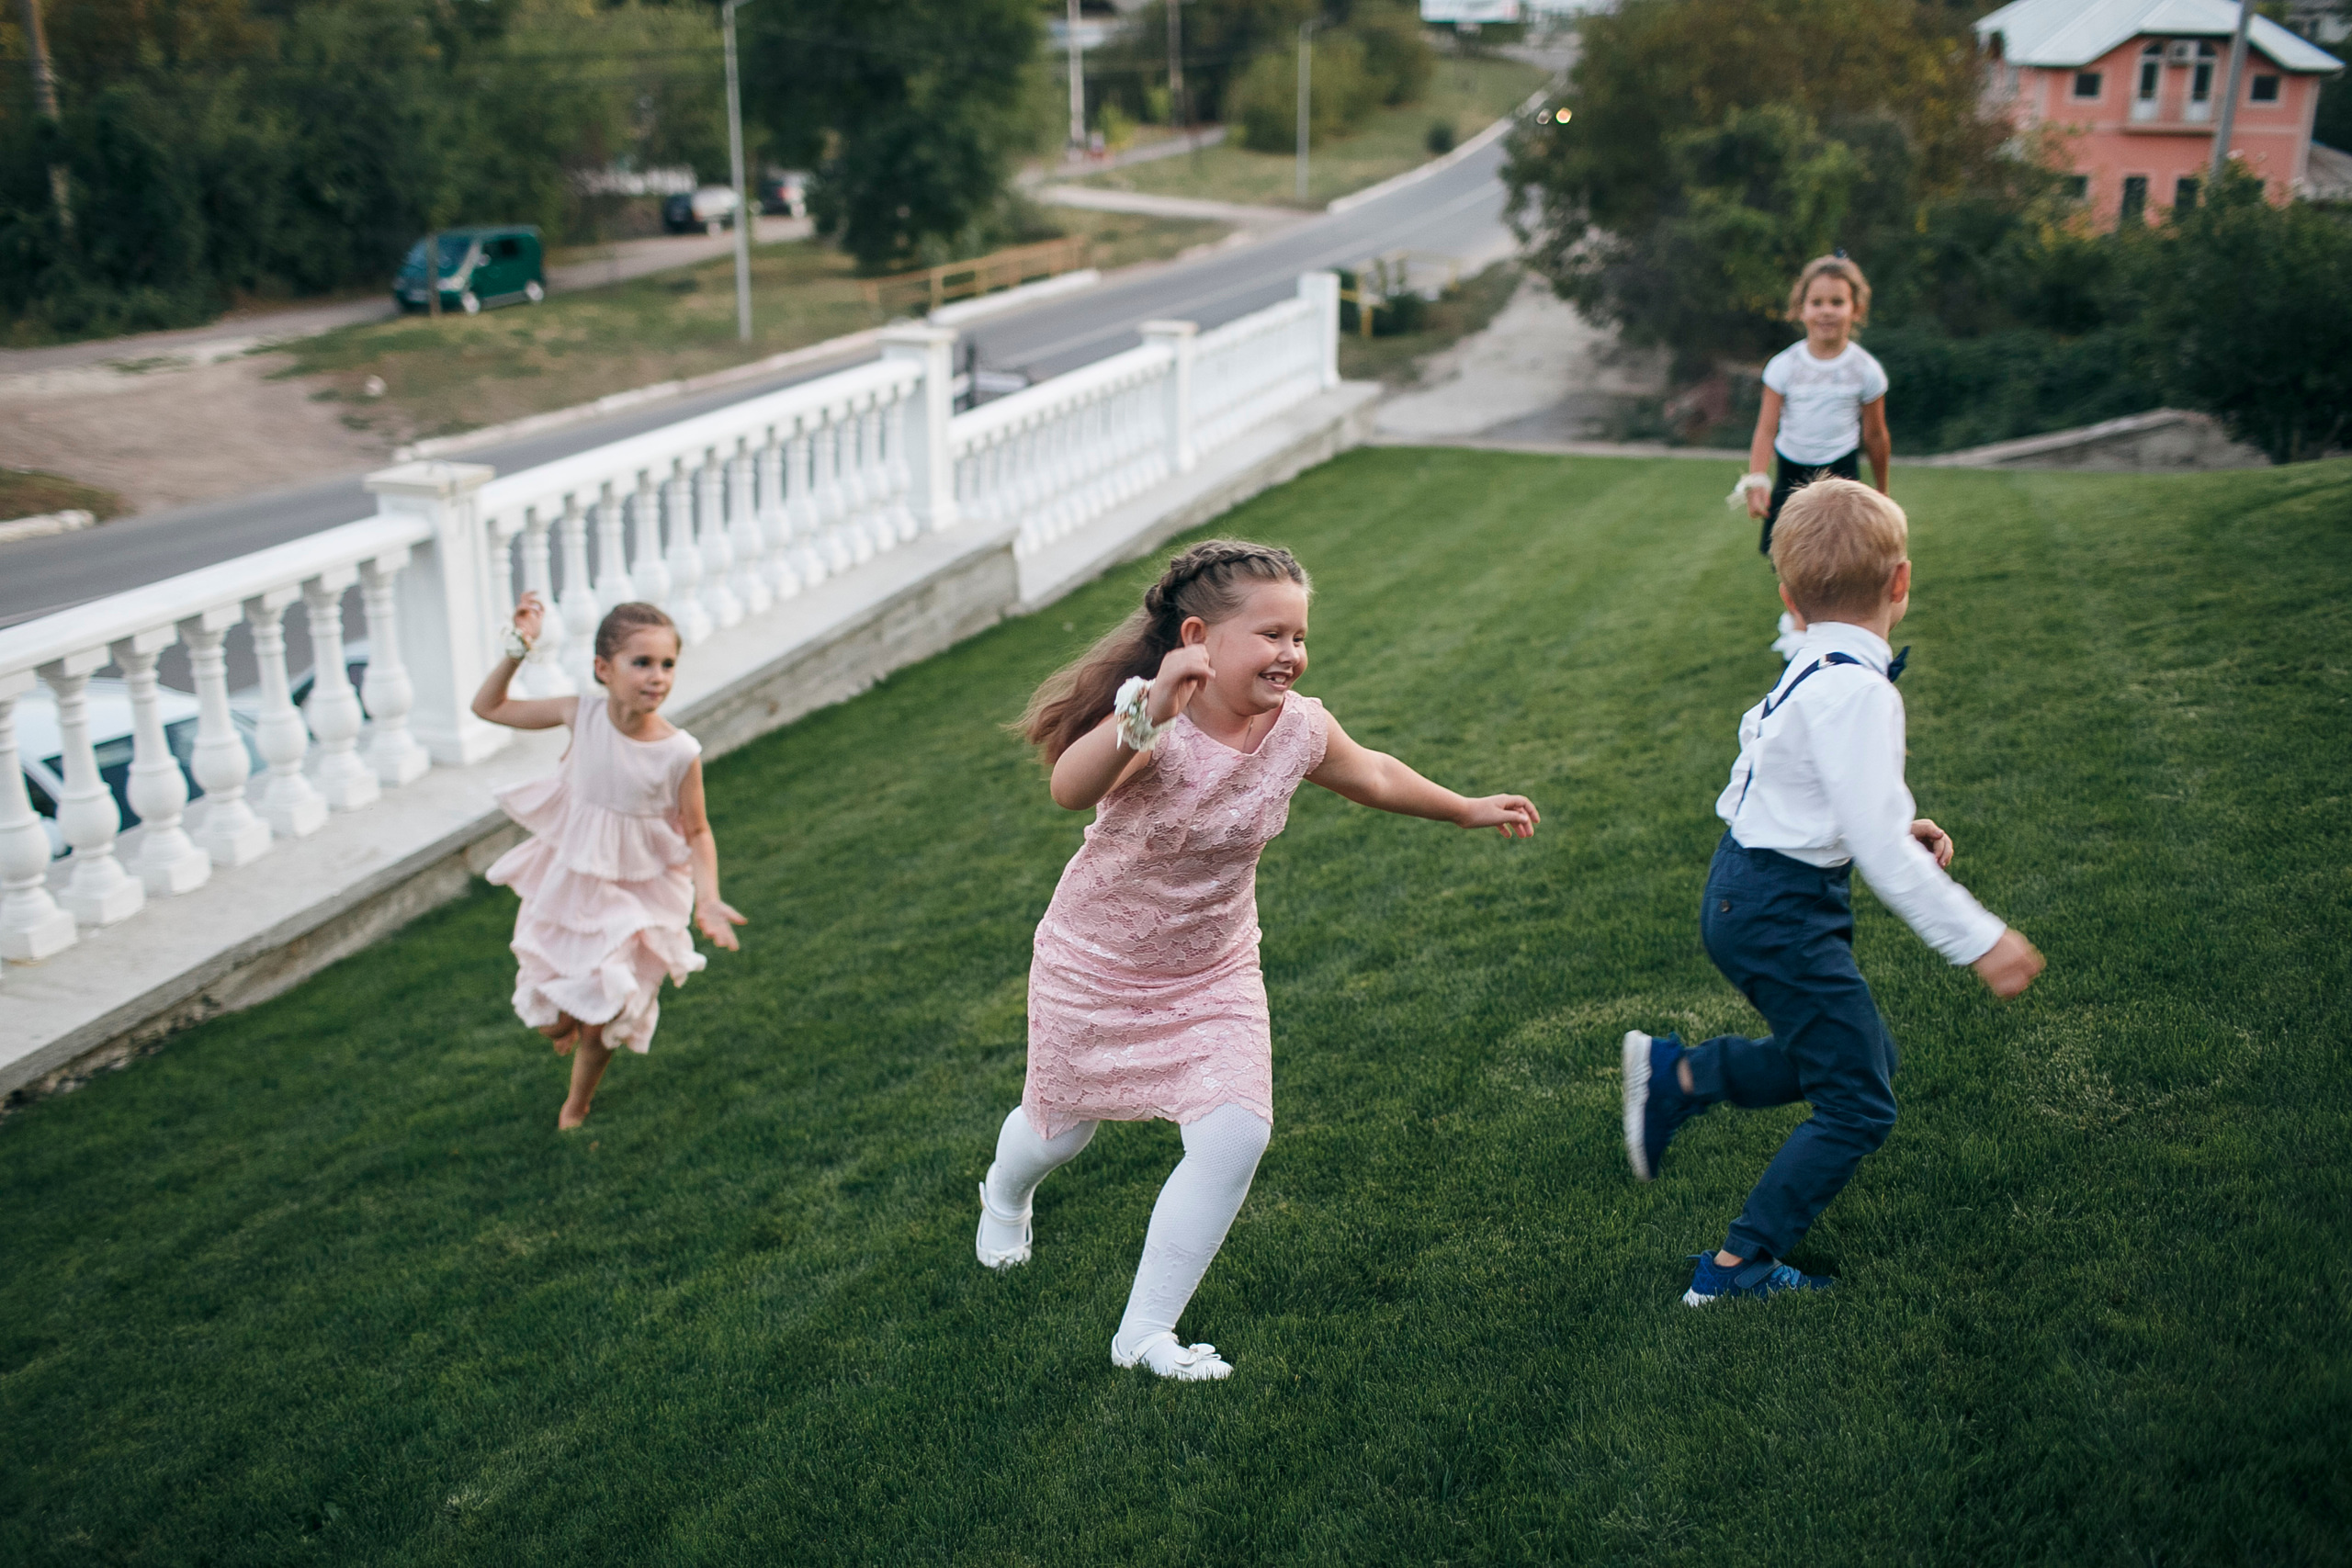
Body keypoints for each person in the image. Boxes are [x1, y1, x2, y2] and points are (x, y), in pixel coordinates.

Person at [978, 540, 1541, 1380]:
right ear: (1199, 636)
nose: (1292, 655)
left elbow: (1375, 775)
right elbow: (1070, 784)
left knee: (1235, 1130)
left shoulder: (1300, 729)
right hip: (1094, 965)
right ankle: (1004, 1194)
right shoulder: (1152, 719)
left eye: (1300, 637)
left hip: (1213, 969)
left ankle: (1143, 1335)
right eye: (1272, 635)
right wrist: (1151, 705)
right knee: (1060, 1131)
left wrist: (1463, 808)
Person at [1623, 479, 2042, 1304]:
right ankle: (1736, 1268)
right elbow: (1879, 850)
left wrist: (1894, 821)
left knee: (1864, 1059)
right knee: (1859, 1102)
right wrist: (1980, 939)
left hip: (1754, 890)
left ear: (1789, 597)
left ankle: (1679, 1077)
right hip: (1779, 909)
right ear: (1901, 582)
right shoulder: (1858, 688)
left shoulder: (1817, 658)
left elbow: (1815, 782)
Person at [472, 594, 746, 1130]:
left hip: (640, 896)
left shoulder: (679, 752)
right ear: (603, 668)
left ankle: (576, 1105)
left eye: (667, 664)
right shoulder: (581, 714)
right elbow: (490, 708)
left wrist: (709, 898)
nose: (658, 677)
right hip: (573, 883)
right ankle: (565, 1028)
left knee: (608, 1014)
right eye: (642, 663)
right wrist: (517, 648)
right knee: (553, 1022)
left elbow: (697, 830)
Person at [1727, 254, 1893, 658]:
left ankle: (1828, 627)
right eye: (1817, 302)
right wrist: (1756, 480)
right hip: (1792, 470)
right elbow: (1766, 428)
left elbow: (1875, 435)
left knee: (1842, 554)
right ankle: (1801, 626)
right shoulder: (1784, 366)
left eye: (1837, 302)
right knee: (1792, 552)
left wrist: (1882, 493)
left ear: (1856, 309)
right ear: (1800, 308)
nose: (1826, 311)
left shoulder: (1865, 370)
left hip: (1841, 471)